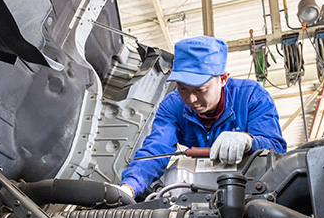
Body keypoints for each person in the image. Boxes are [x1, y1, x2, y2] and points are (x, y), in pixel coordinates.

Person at [118, 35, 287, 199]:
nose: (191, 99)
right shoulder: (172, 106)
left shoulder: (252, 96)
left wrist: (248, 141)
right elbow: (156, 150)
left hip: (249, 190)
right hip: (197, 193)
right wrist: (128, 188)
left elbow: (276, 149)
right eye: (182, 88)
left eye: (200, 90)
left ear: (223, 79)